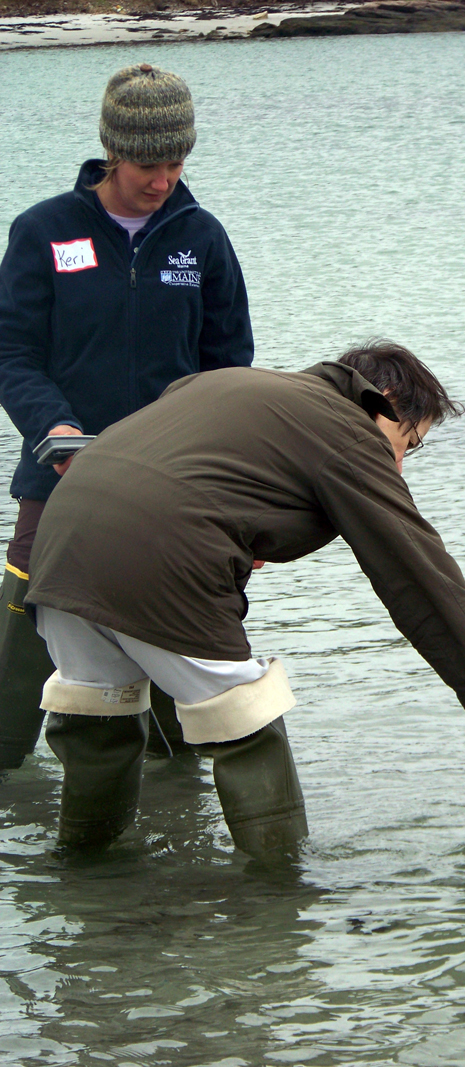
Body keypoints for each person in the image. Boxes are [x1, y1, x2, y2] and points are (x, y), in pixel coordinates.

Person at [24, 341, 465, 860]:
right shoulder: (348, 431)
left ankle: (82, 879)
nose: (400, 467)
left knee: (100, 712)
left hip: (59, 552)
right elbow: (418, 573)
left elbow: (192, 476)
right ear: (382, 400)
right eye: (407, 445)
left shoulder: (227, 384)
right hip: (159, 557)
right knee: (246, 715)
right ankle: (279, 902)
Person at [0, 63, 254, 769]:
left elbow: (230, 370)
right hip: (59, 471)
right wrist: (53, 428)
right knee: (28, 611)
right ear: (113, 152)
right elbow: (12, 352)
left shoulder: (201, 238)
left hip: (176, 482)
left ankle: (179, 778)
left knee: (180, 623)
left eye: (177, 162)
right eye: (148, 163)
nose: (163, 180)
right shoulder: (43, 231)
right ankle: (5, 765)